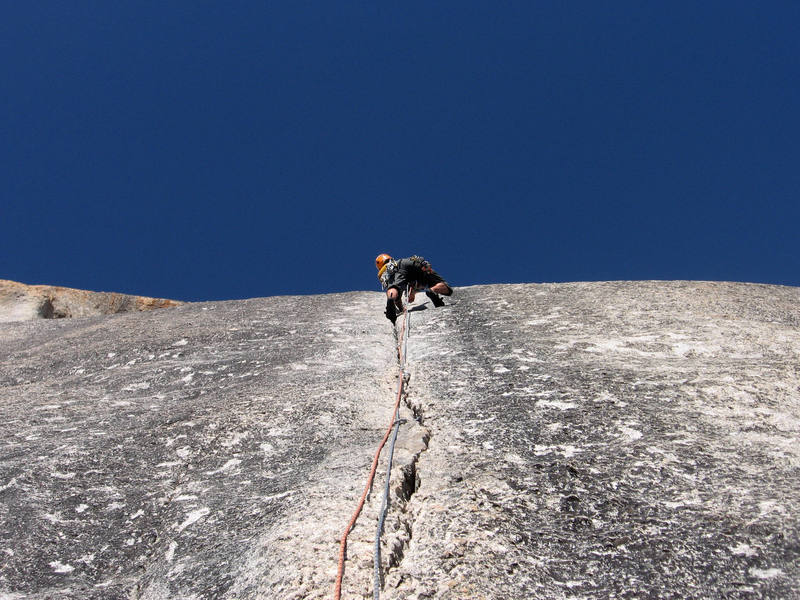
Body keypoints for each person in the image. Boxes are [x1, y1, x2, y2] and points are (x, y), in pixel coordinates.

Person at [375, 254, 453, 323]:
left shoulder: (388, 272)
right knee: (447, 289)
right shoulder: (400, 262)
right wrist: (424, 265)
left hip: (408, 278)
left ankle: (391, 297)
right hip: (413, 269)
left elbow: (398, 298)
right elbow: (414, 261)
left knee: (394, 287)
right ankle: (432, 290)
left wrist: (401, 309)